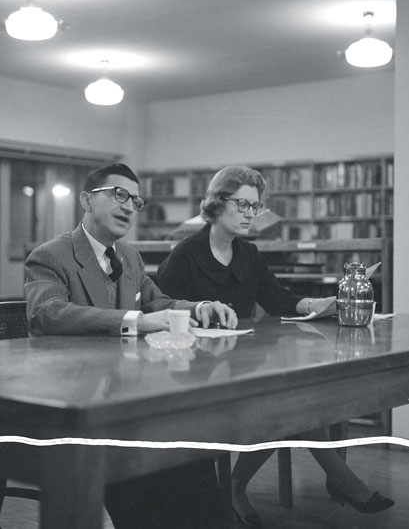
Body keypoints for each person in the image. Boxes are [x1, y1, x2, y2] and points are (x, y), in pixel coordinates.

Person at [157, 165, 394, 528]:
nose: (250, 214)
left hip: (240, 365)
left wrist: (317, 304)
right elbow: (166, 316)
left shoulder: (249, 254)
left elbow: (278, 299)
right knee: (290, 409)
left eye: (255, 206)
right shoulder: (184, 256)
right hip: (195, 375)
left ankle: (239, 487)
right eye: (243, 204)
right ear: (217, 203)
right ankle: (341, 483)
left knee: (294, 405)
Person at [24, 162, 237, 529]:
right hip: (77, 402)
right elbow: (46, 313)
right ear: (86, 200)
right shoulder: (52, 255)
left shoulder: (128, 256)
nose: (129, 207)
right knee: (151, 461)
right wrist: (135, 320)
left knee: (189, 442)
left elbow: (159, 303)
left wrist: (200, 307)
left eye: (136, 201)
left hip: (126, 397)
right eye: (119, 195)